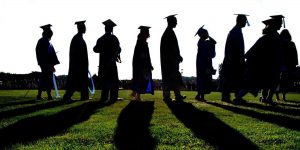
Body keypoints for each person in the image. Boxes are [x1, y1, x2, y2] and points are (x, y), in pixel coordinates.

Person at [234, 15, 284, 105]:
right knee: (252, 83)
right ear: (275, 25)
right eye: (279, 23)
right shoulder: (271, 37)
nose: (281, 25)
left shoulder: (269, 36)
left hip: (267, 65)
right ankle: (238, 98)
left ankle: (267, 98)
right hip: (263, 65)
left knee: (270, 82)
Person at [218, 14, 249, 102]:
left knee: (236, 79)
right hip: (233, 59)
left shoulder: (236, 30)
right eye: (244, 20)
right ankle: (226, 96)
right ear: (240, 20)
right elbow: (237, 47)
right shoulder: (235, 31)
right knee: (229, 78)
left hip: (233, 58)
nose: (246, 23)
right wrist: (240, 59)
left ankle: (236, 95)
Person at [93, 19, 121, 104]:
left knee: (104, 81)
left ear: (105, 29)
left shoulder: (101, 39)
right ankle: (113, 97)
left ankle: (104, 97)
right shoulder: (114, 38)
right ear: (111, 29)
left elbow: (95, 49)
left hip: (103, 64)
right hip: (112, 63)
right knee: (113, 81)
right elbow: (119, 49)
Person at [160, 14, 186, 102]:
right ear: (171, 22)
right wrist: (176, 57)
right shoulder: (168, 33)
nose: (176, 23)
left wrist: (178, 56)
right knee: (169, 78)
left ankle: (176, 95)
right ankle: (167, 96)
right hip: (169, 62)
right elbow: (171, 49)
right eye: (175, 21)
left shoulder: (169, 32)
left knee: (173, 78)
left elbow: (174, 48)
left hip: (170, 61)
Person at [63, 20, 89, 101]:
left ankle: (84, 96)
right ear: (80, 28)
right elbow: (77, 54)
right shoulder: (77, 39)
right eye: (84, 27)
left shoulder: (79, 38)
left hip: (80, 65)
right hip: (78, 65)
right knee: (75, 81)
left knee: (80, 81)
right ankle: (68, 96)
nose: (85, 29)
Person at [35, 24, 60, 100]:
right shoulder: (44, 42)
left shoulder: (46, 42)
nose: (51, 36)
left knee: (46, 79)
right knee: (47, 79)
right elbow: (46, 54)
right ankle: (46, 95)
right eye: (50, 34)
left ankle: (42, 95)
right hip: (46, 64)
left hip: (45, 63)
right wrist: (51, 64)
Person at [131, 26, 154, 101]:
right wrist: (147, 64)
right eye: (147, 32)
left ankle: (137, 95)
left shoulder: (141, 42)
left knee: (140, 80)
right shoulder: (142, 43)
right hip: (141, 65)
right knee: (140, 80)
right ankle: (137, 96)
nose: (149, 34)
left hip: (141, 64)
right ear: (144, 33)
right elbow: (143, 55)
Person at [275, 29, 298, 101]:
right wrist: (295, 64)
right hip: (288, 65)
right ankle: (283, 96)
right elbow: (295, 55)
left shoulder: (279, 43)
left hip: (281, 64)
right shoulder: (291, 43)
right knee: (286, 81)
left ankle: (277, 96)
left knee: (278, 81)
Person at [194, 25, 216, 101]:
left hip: (202, 63)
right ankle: (201, 96)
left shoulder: (202, 42)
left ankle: (199, 95)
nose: (207, 34)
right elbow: (213, 45)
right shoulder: (202, 43)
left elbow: (213, 43)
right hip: (204, 64)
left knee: (203, 79)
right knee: (203, 79)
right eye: (206, 33)